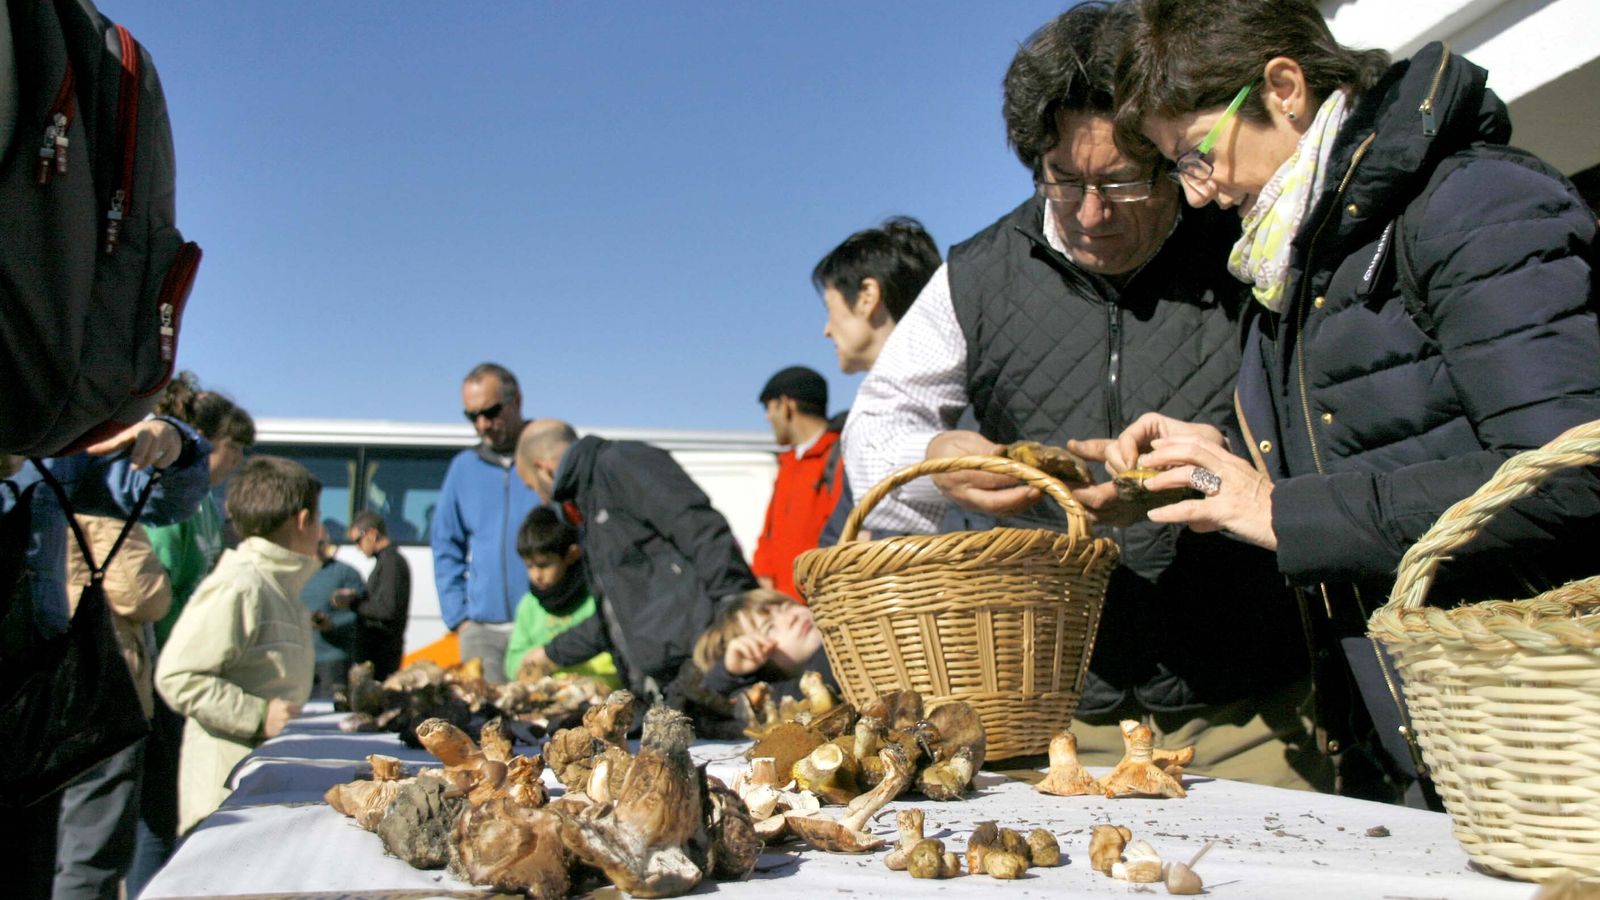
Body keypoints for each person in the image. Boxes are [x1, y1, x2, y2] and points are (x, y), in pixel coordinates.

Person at [1106, 0, 1600, 806]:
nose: (1196, 195)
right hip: (1425, 742)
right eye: (1178, 169)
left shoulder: (1472, 204)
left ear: (1284, 87)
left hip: (1547, 739)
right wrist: (1220, 457)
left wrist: (1278, 510)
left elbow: (1568, 472)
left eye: (1197, 154)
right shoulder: (1297, 261)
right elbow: (1375, 436)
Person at [842, 2, 1325, 792]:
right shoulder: (978, 274)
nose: (1093, 214)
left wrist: (1221, 466)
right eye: (1065, 182)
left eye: (1124, 181)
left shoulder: (1247, 240)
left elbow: (1333, 420)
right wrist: (938, 458)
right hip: (1046, 717)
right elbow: (875, 425)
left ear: (1171, 152)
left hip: (1249, 711)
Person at [3, 418, 211, 900]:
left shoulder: (46, 442)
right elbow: (143, 592)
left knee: (46, 867)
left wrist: (174, 442)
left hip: (28, 710)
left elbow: (164, 500)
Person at [513, 419, 757, 703]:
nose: (541, 500)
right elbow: (617, 611)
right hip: (669, 682)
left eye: (532, 487)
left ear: (544, 468)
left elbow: (703, 531)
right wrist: (551, 653)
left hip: (708, 661)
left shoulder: (621, 463)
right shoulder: (590, 504)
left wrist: (736, 614)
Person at [132, 374, 255, 895]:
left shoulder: (205, 503)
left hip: (188, 673)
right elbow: (155, 594)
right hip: (165, 675)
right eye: (235, 448)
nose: (239, 462)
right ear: (205, 441)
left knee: (174, 810)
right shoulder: (173, 506)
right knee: (156, 819)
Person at [155, 456, 323, 836]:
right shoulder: (241, 585)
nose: (322, 531)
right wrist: (257, 715)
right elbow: (178, 676)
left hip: (259, 783)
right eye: (319, 518)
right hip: (226, 798)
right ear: (302, 520)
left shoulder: (278, 585)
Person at [57, 513, 172, 900]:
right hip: (101, 690)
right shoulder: (98, 503)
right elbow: (143, 593)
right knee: (92, 854)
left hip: (54, 691)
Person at [810, 216, 943, 546]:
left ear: (867, 296)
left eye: (830, 308)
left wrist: (881, 543)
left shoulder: (962, 398)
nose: (826, 330)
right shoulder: (869, 418)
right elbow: (834, 544)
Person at [431, 362, 538, 684]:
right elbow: (445, 544)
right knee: (485, 715)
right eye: (472, 416)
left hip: (542, 629)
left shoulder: (548, 458)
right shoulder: (463, 469)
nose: (482, 424)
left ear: (516, 401)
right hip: (481, 633)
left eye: (490, 412)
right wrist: (459, 617)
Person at [750, 366, 843, 598]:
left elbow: (842, 537)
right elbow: (769, 533)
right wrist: (763, 573)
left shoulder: (840, 456)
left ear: (786, 405)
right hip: (784, 606)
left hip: (822, 605)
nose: (767, 417)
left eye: (769, 407)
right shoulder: (788, 463)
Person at [503, 506, 619, 686]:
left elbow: (613, 654)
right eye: (529, 566)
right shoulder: (529, 606)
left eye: (544, 565)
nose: (536, 575)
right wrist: (535, 662)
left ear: (572, 554)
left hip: (601, 691)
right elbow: (512, 662)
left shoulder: (595, 597)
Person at [691, 588, 835, 703]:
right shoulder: (789, 695)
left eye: (787, 606)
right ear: (763, 665)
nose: (791, 618)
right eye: (769, 628)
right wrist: (728, 676)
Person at [336, 511, 411, 680]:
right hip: (377, 654)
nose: (357, 547)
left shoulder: (391, 562)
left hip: (382, 657)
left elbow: (387, 609)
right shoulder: (385, 561)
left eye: (358, 540)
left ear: (371, 533)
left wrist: (354, 603)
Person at [299, 529, 362, 698]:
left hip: (332, 662)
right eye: (310, 542)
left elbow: (362, 613)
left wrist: (332, 624)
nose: (315, 548)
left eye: (320, 543)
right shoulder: (294, 573)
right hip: (299, 662)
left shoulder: (345, 573)